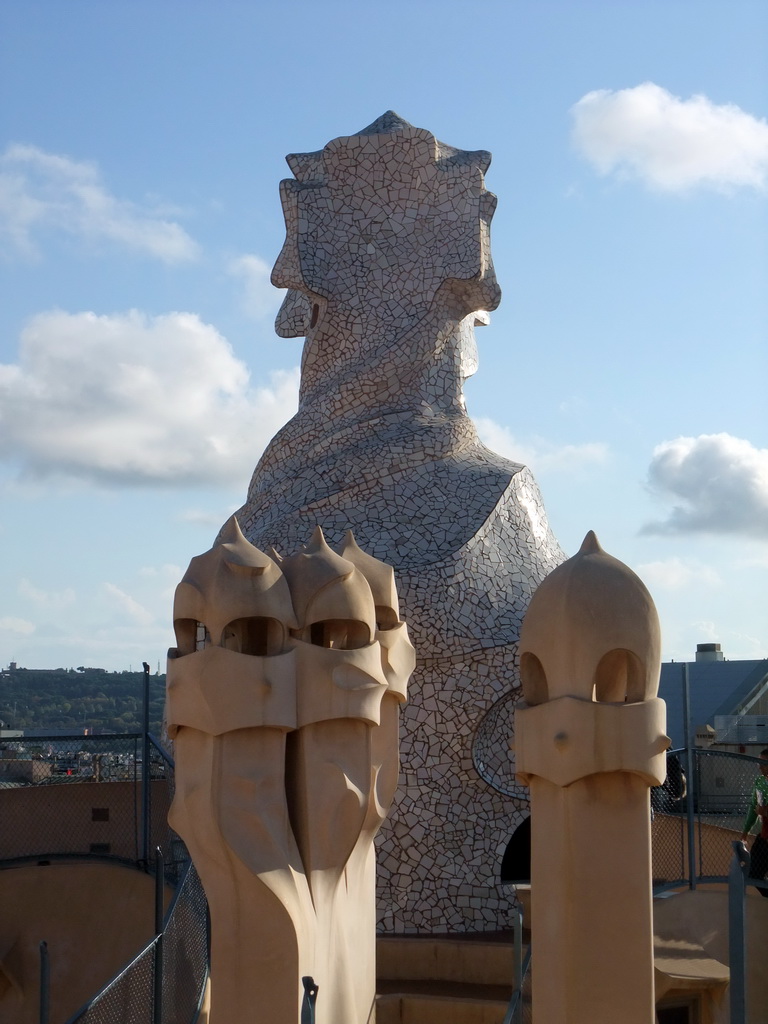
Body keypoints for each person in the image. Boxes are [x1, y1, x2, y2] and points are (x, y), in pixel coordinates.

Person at [740, 747, 768, 898]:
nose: (760, 766)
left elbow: (761, 810)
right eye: (758, 763)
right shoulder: (759, 781)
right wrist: (745, 832)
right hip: (764, 835)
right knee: (753, 873)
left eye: (763, 763)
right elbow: (753, 807)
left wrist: (765, 812)